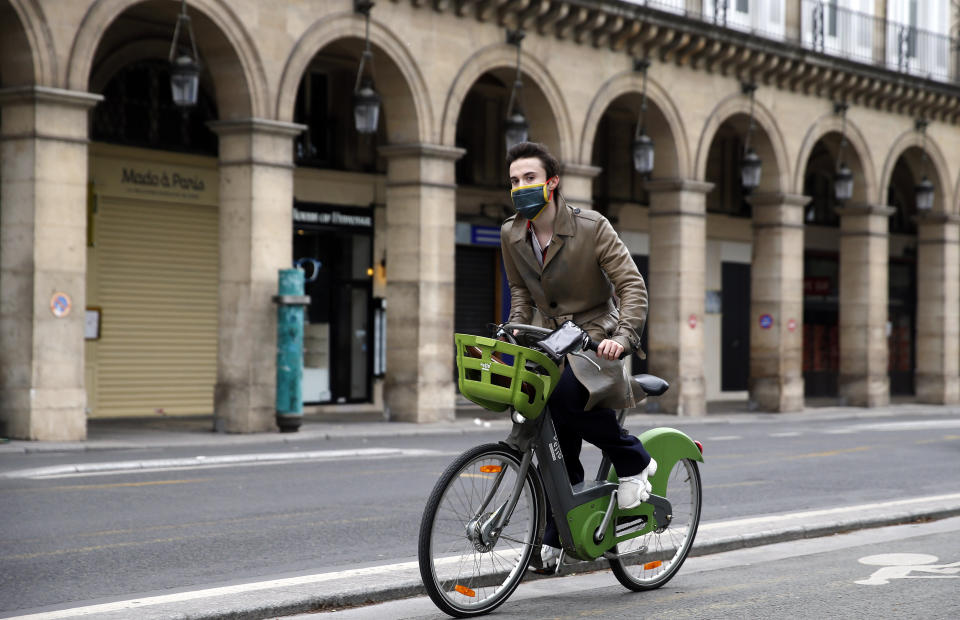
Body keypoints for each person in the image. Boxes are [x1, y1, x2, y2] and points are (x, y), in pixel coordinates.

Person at [499, 141, 656, 573]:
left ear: (552, 182)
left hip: (594, 336)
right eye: (514, 180)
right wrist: (515, 325)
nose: (520, 187)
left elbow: (631, 286)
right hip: (546, 338)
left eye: (529, 178)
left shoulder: (592, 227)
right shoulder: (512, 233)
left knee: (567, 396)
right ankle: (559, 524)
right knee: (538, 416)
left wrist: (622, 337)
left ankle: (634, 459)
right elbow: (518, 290)